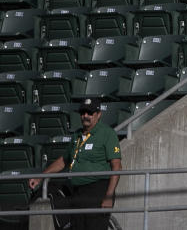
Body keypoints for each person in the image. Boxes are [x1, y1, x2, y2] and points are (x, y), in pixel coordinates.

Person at [30, 97, 121, 230]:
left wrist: (108, 196)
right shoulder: (76, 135)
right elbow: (63, 161)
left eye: (90, 113)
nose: (85, 116)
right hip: (78, 191)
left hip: (97, 190)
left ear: (98, 114)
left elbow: (117, 167)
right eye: (83, 112)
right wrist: (41, 176)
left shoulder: (107, 133)